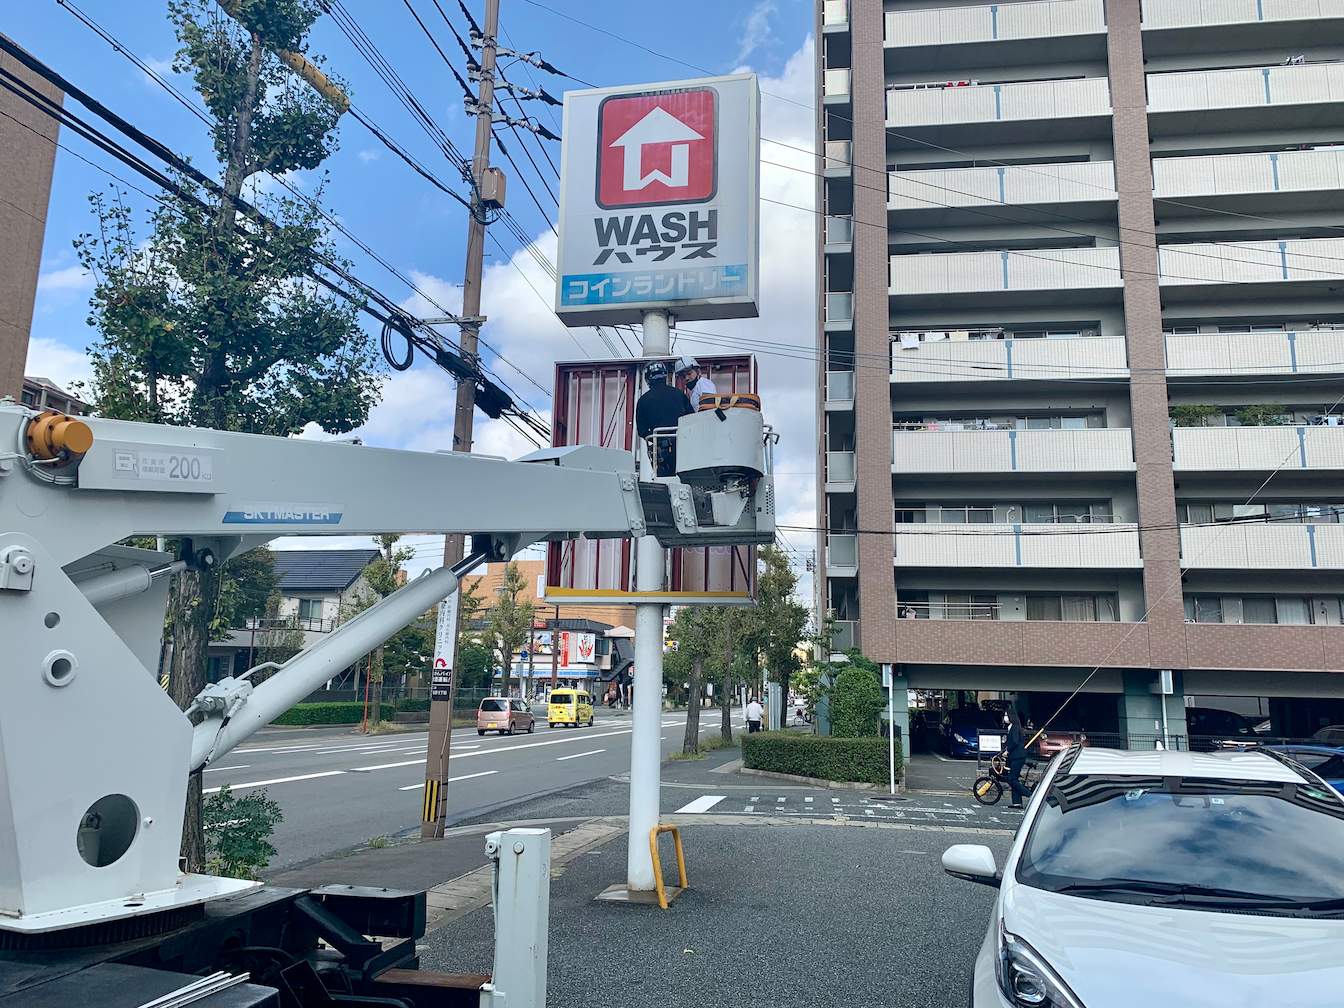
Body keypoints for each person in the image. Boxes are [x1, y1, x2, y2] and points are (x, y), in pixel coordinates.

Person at [635, 360, 693, 476]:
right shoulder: (679, 394)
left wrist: (657, 438)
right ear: (664, 375)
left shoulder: (643, 401)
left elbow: (642, 431)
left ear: (648, 379)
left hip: (661, 451)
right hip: (683, 446)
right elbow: (691, 418)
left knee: (664, 482)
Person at [1003, 707, 1031, 809]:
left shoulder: (1014, 727)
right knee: (1013, 779)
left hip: (1017, 757)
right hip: (1015, 757)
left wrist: (1007, 751)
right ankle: (1017, 803)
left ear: (1011, 716)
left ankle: (1030, 795)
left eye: (1006, 715)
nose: (1004, 717)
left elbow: (1014, 742)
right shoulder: (1013, 727)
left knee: (1012, 779)